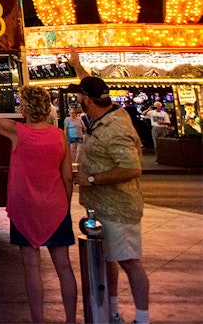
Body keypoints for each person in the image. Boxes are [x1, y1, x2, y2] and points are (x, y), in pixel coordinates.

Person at [0, 64, 77, 323]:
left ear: (24, 108)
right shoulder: (59, 136)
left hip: (25, 208)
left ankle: (38, 319)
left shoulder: (17, 132)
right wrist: (64, 204)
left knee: (31, 266)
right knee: (64, 266)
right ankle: (70, 318)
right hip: (55, 207)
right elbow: (67, 176)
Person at [75, 76, 149, 324]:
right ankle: (112, 311)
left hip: (119, 209)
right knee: (107, 261)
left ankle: (142, 318)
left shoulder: (116, 127)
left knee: (129, 261)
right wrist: (76, 66)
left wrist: (92, 179)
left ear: (87, 99)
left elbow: (132, 168)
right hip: (101, 207)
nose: (76, 99)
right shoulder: (104, 117)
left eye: (79, 95)